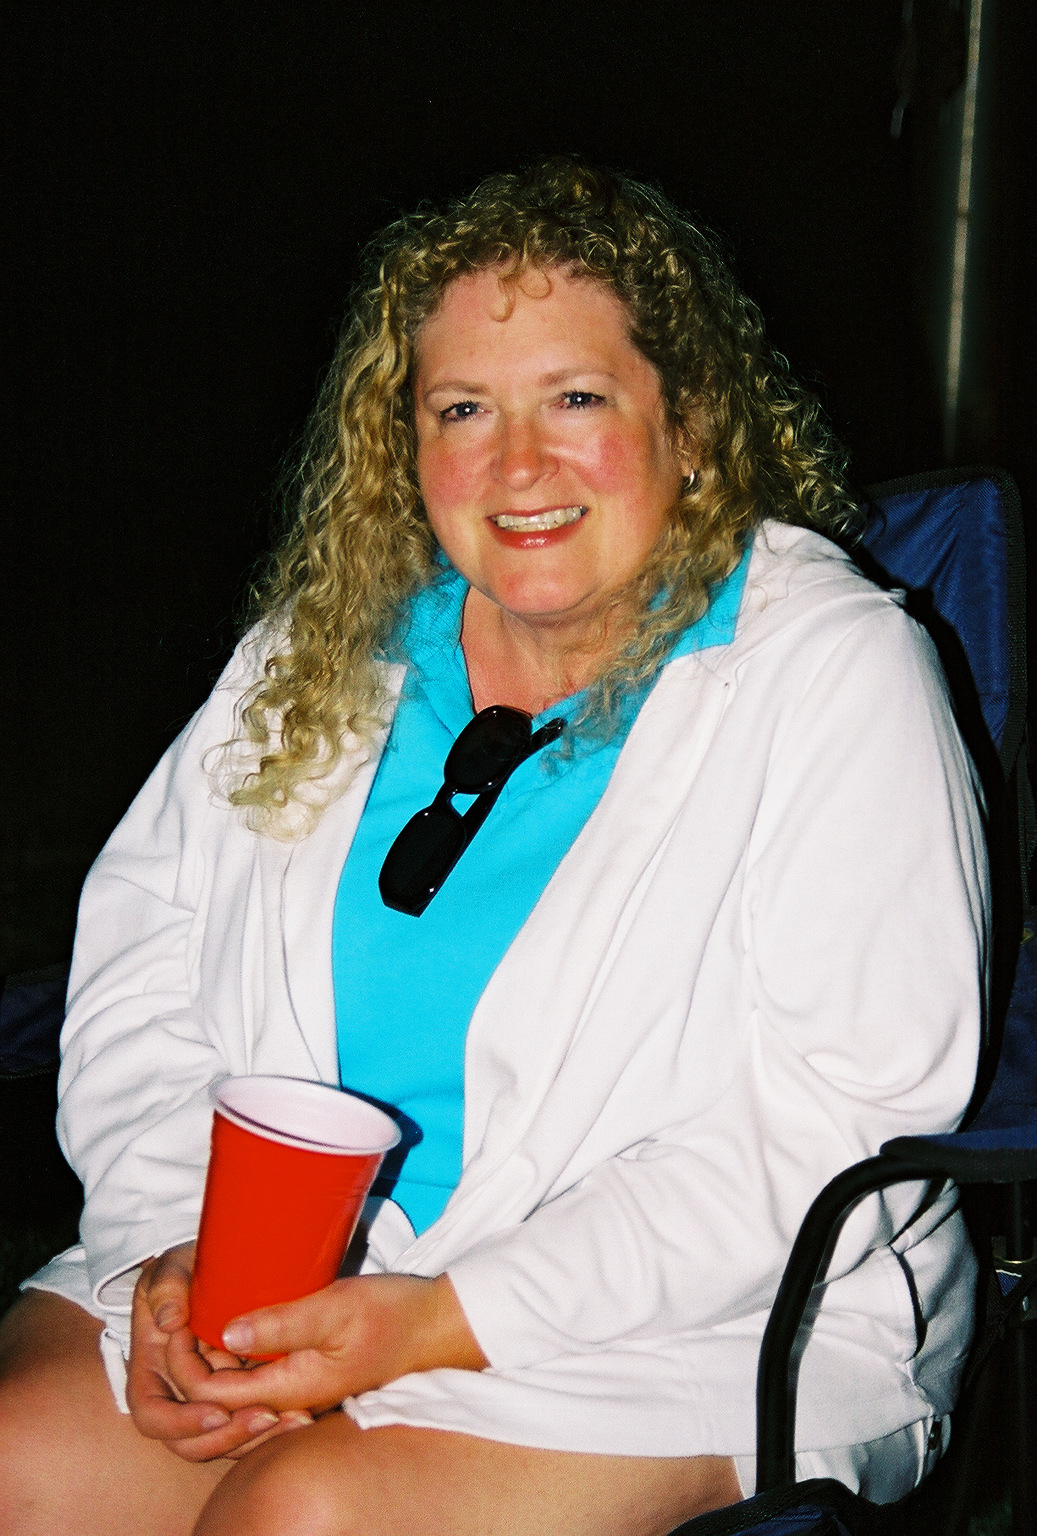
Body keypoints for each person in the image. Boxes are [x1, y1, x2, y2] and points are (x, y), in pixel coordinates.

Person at [0, 159, 987, 1536]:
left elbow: (837, 1114)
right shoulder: (321, 652)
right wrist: (181, 1246)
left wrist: (442, 1320)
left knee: (303, 1517)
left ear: (691, 423)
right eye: (462, 408)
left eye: (575, 399)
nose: (517, 465)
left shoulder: (828, 672)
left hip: (694, 1321)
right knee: (19, 1460)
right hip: (285, 1271)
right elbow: (144, 966)